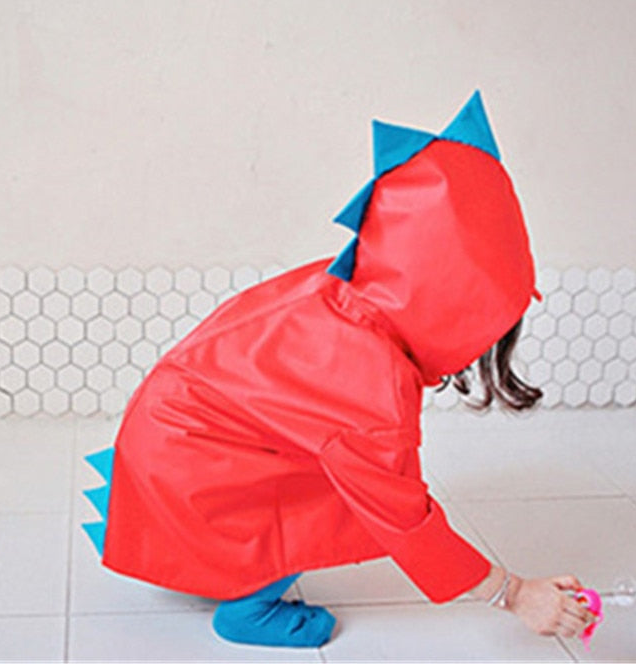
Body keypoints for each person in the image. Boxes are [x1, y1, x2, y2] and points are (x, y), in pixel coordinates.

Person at [82, 90, 596, 648]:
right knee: (364, 484)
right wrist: (516, 593)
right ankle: (247, 606)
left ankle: (219, 557)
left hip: (171, 449)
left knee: (349, 468)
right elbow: (403, 515)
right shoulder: (370, 381)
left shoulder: (342, 288)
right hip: (187, 479)